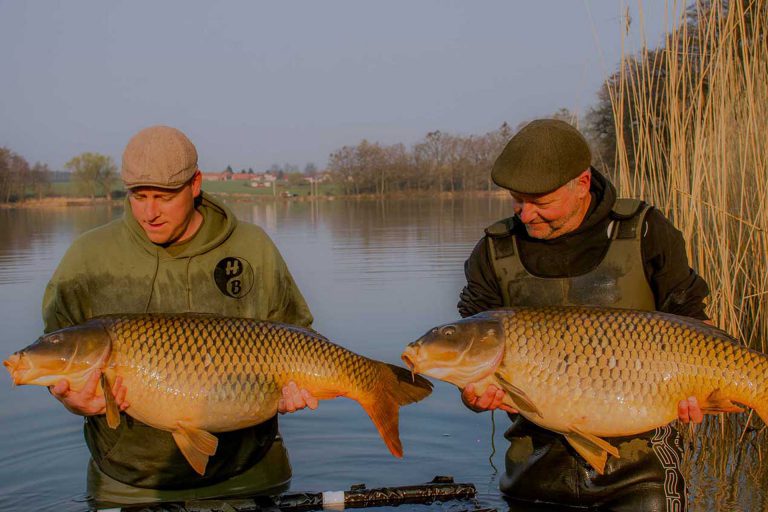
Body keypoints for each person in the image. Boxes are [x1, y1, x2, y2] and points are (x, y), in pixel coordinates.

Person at [43, 125, 318, 506]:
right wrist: (71, 400)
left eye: (163, 196)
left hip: (250, 474)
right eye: (139, 196)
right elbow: (56, 353)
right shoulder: (87, 258)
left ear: (195, 185)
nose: (149, 212)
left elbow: (297, 334)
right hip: (129, 481)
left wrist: (295, 388)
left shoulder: (253, 248)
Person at [458, 119, 710, 511]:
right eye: (517, 200)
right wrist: (473, 394)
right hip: (533, 467)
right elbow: (472, 348)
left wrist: (701, 391)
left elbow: (694, 319)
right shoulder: (494, 252)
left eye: (541, 203)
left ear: (582, 183)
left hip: (640, 467)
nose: (525, 215)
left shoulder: (643, 231)